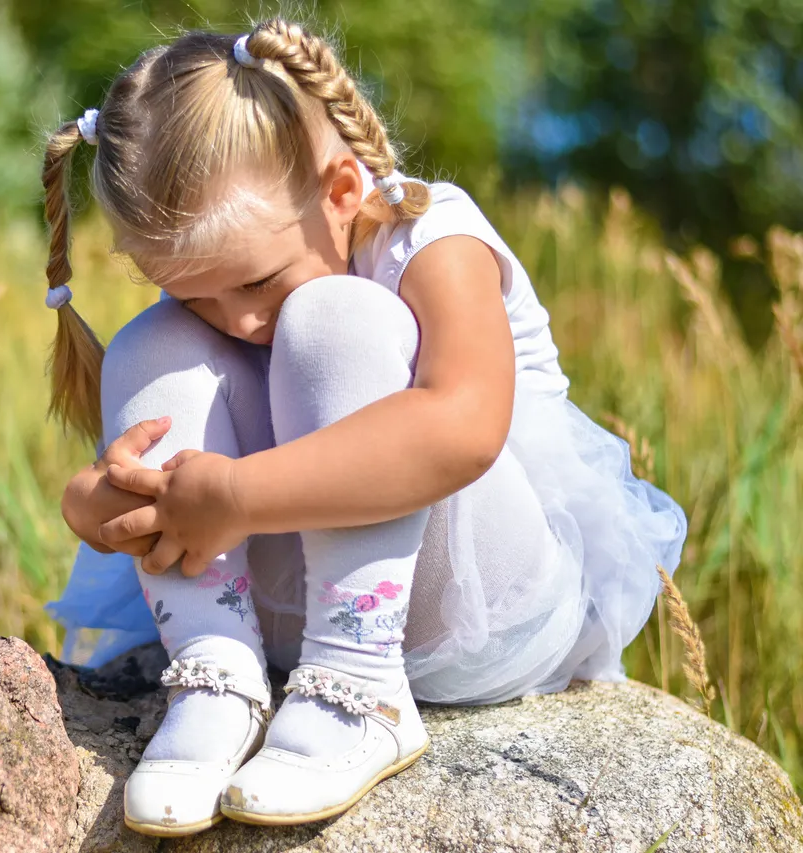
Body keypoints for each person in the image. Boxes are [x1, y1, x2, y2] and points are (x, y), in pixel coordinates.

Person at [39, 19, 687, 837]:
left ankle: (362, 689)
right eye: (196, 292)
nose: (237, 321)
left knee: (332, 315)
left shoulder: (436, 238)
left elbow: (462, 430)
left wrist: (236, 492)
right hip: (292, 609)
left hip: (479, 601)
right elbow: (189, 423)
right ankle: (217, 679)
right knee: (151, 341)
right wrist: (102, 504)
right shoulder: (238, 290)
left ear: (342, 191)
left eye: (254, 281)